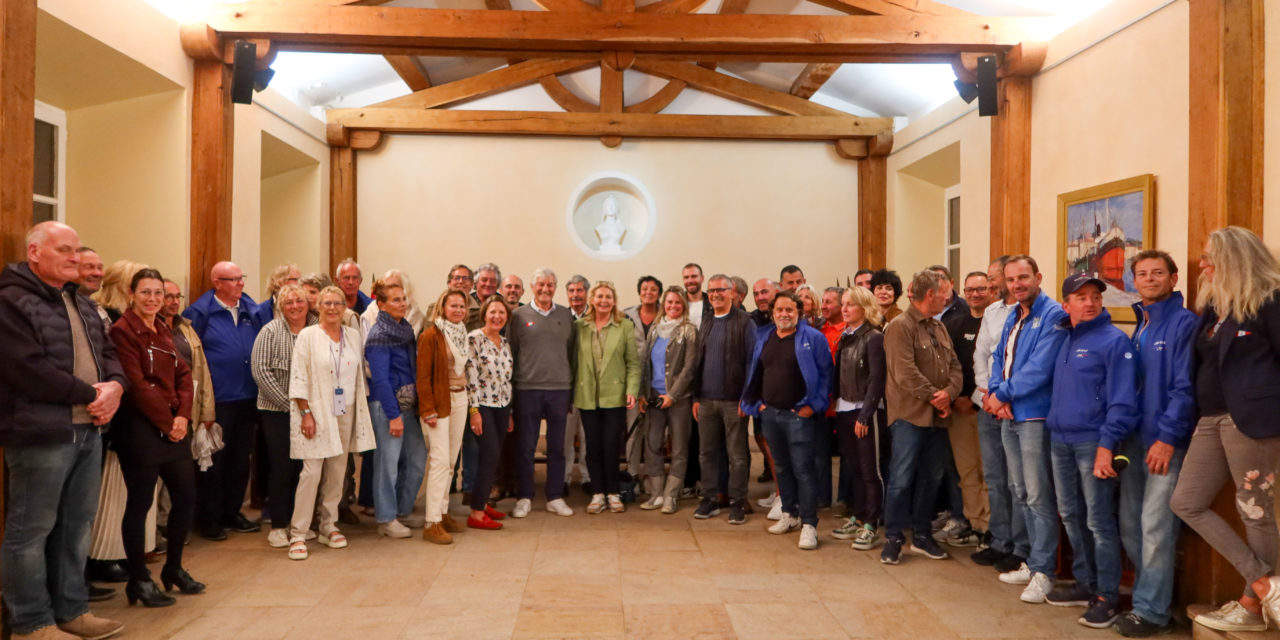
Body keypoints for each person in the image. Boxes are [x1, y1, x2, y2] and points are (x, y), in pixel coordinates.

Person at [0, 222, 126, 640]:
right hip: (40, 433)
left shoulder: (81, 301)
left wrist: (116, 386)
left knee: (77, 527)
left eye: (77, 250)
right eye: (65, 250)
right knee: (30, 531)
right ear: (35, 253)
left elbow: (109, 351)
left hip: (89, 429)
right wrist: (93, 391)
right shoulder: (12, 301)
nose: (75, 258)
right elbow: (26, 369)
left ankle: (73, 611)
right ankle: (31, 622)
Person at [1173, 226, 1280, 633]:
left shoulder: (1270, 301)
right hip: (1210, 418)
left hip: (1252, 421)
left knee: (1254, 511)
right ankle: (1267, 583)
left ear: (1235, 258)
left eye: (1209, 257)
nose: (1202, 264)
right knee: (1186, 501)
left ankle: (1252, 606)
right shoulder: (1215, 308)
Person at [1043, 273, 1140, 628]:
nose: (1089, 302)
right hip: (1060, 440)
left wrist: (1106, 446)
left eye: (1095, 296)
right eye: (1080, 297)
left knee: (1099, 521)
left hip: (1092, 442)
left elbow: (1123, 400)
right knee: (1070, 515)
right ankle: (1085, 583)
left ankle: (1107, 596)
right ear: (1066, 303)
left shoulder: (1114, 341)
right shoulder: (1065, 337)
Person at [109, 268, 205, 607]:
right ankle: (139, 579)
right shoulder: (123, 331)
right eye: (146, 292)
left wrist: (182, 417)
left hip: (173, 426)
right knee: (141, 504)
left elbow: (183, 373)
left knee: (186, 496)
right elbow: (136, 385)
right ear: (131, 294)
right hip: (140, 430)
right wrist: (168, 422)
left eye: (158, 293)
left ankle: (174, 569)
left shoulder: (163, 327)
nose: (153, 299)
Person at [1114, 251, 1198, 637]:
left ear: (1173, 278)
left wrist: (1167, 439)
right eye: (1142, 274)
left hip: (1166, 442)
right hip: (1133, 441)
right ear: (1134, 282)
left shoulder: (1184, 324)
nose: (1149, 279)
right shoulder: (1141, 324)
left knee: (1155, 526)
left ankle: (1151, 610)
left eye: (1157, 273)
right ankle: (1152, 596)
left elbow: (1185, 389)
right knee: (1130, 523)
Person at [984, 255, 1069, 603]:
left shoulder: (1053, 316)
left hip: (1034, 416)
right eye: (1012, 279)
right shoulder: (1014, 315)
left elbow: (1040, 369)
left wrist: (1000, 394)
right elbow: (998, 358)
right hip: (1008, 414)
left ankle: (1045, 571)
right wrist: (994, 393)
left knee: (1037, 495)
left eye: (1024, 277)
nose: (1018, 284)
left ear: (1038, 276)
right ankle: (1032, 561)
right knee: (1019, 491)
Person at [878, 270, 963, 565]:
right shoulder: (900, 327)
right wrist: (935, 397)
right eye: (944, 293)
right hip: (910, 417)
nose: (947, 297)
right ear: (930, 295)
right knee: (901, 478)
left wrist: (949, 394)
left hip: (939, 417)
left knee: (932, 477)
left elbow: (955, 367)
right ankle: (893, 538)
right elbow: (904, 373)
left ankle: (923, 535)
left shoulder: (938, 327)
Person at [286, 286, 376, 560]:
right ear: (319, 307)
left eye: (338, 303)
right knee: (312, 471)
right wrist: (306, 413)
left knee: (338, 470)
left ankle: (328, 524)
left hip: (345, 409)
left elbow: (358, 374)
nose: (334, 308)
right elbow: (299, 376)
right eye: (328, 303)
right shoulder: (308, 336)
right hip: (317, 409)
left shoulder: (352, 335)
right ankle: (298, 533)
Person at [742, 290, 833, 550]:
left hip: (799, 415)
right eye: (779, 310)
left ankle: (809, 524)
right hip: (770, 414)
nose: (784, 314)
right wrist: (757, 404)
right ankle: (789, 515)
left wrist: (812, 407)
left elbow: (827, 376)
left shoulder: (813, 338)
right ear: (772, 313)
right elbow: (756, 372)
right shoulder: (765, 337)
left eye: (789, 310)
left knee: (803, 469)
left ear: (799, 312)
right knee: (780, 467)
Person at [183, 260, 263, 541]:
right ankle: (209, 518)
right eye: (233, 279)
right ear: (217, 283)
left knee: (241, 461)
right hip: (217, 400)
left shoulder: (250, 311)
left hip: (248, 396)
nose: (240, 283)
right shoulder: (200, 313)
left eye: (242, 278)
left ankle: (232, 512)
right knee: (212, 461)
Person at [969, 256, 1028, 573]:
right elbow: (981, 356)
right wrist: (988, 393)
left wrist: (1003, 396)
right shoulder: (991, 312)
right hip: (988, 405)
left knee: (1016, 481)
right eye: (990, 279)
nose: (991, 285)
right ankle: (1000, 540)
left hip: (1016, 407)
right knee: (994, 477)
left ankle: (1020, 547)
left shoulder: (1028, 312)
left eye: (995, 279)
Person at [508, 268, 577, 518]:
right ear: (532, 286)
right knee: (526, 446)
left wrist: (571, 390)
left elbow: (571, 352)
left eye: (550, 285)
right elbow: (512, 353)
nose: (545, 289)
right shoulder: (517, 316)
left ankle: (555, 496)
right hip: (528, 389)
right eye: (540, 285)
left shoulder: (566, 315)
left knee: (557, 447)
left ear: (555, 287)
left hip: (559, 390)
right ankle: (525, 497)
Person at [250, 283, 313, 548]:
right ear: (281, 306)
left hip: (310, 411)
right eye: (289, 303)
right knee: (281, 468)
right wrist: (291, 405)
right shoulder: (270, 331)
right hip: (277, 411)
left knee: (305, 469)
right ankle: (278, 525)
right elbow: (261, 371)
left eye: (300, 301)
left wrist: (307, 408)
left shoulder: (316, 331)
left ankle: (299, 523)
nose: (295, 306)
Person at [934, 271, 994, 547]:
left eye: (981, 289)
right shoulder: (955, 324)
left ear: (991, 291)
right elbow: (948, 366)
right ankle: (975, 523)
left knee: (988, 472)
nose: (975, 294)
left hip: (987, 409)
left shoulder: (998, 323)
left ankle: (992, 526)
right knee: (967, 471)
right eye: (970, 290)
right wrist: (957, 397)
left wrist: (974, 398)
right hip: (959, 409)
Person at [364, 280, 427, 539]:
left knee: (417, 458)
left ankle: (402, 509)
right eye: (396, 300)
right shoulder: (379, 336)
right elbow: (379, 380)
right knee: (387, 465)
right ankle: (386, 518)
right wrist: (393, 416)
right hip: (387, 406)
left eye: (403, 299)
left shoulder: (405, 330)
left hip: (408, 404)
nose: (403, 303)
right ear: (381, 304)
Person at [692, 274, 757, 524]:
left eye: (721, 289)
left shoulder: (744, 322)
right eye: (712, 290)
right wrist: (696, 396)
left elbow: (752, 361)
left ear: (733, 293)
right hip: (706, 401)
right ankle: (710, 498)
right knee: (706, 453)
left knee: (737, 454)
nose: (716, 294)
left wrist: (746, 397)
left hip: (734, 401)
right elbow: (699, 361)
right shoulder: (706, 322)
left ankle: (738, 501)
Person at [573, 281, 641, 514]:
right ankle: (597, 493)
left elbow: (633, 363)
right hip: (587, 395)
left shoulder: (624, 326)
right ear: (592, 299)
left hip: (615, 396)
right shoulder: (579, 326)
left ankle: (613, 493)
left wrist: (631, 390)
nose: (604, 301)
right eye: (600, 296)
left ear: (614, 301)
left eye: (608, 297)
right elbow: (574, 362)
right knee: (592, 447)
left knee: (611, 445)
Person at [829, 285, 887, 551]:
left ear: (865, 307)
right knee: (853, 468)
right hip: (844, 408)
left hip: (864, 410)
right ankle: (858, 515)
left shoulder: (873, 337)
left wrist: (865, 415)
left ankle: (871, 524)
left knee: (870, 470)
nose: (844, 308)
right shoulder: (846, 336)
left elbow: (877, 378)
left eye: (850, 304)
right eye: (843, 303)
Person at [416, 288, 472, 544]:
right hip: (440, 401)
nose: (458, 310)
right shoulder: (431, 335)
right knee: (439, 461)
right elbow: (423, 377)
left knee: (451, 460)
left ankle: (443, 512)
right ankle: (431, 522)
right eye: (454, 306)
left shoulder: (462, 334)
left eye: (462, 306)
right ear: (443, 307)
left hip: (460, 398)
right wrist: (427, 409)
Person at [639, 286, 698, 513]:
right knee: (653, 444)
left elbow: (689, 368)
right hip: (654, 398)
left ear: (683, 306)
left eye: (677, 303)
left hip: (678, 399)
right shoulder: (655, 329)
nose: (673, 306)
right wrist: (644, 393)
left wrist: (672, 395)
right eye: (670, 302)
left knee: (680, 448)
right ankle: (656, 493)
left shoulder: (689, 331)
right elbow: (646, 364)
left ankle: (671, 495)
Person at [464, 295, 515, 530]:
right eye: (493, 312)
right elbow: (471, 378)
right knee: (489, 454)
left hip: (502, 406)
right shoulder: (474, 339)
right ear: (484, 314)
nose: (497, 317)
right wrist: (474, 411)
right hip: (482, 406)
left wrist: (510, 411)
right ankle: (476, 513)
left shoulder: (504, 343)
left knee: (494, 456)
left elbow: (506, 379)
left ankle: (482, 503)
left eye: (502, 313)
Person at [360, 269, 427, 336]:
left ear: (405, 289)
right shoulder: (370, 313)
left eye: (395, 287)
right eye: (387, 287)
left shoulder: (416, 315)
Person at [681, 263, 711, 327]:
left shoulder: (711, 302)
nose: (690, 280)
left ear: (702, 278)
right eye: (686, 277)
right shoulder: (678, 303)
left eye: (694, 276)